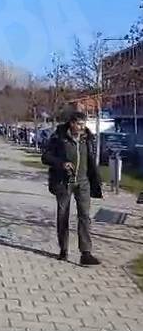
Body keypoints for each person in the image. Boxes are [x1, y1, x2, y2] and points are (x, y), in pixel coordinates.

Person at [41, 111, 103, 265]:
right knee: (63, 215)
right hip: (64, 182)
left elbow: (91, 160)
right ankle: (64, 249)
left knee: (85, 216)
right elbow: (45, 157)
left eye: (84, 124)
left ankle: (86, 253)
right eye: (79, 124)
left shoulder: (88, 138)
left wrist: (95, 179)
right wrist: (62, 163)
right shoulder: (59, 137)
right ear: (72, 123)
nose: (82, 127)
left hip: (83, 183)